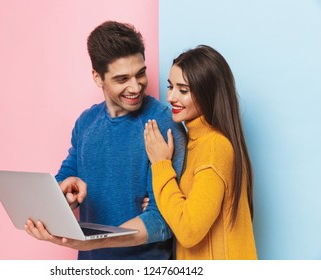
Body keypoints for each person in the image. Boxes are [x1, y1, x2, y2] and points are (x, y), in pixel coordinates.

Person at [25, 21, 187, 260]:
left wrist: (93, 242)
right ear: (97, 77)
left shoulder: (162, 123)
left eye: (140, 73)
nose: (136, 86)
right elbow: (64, 178)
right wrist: (62, 199)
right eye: (122, 79)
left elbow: (164, 220)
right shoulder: (86, 122)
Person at [144, 45, 257, 259]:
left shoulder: (214, 147)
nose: (170, 97)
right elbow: (188, 206)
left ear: (208, 94)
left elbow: (189, 230)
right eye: (170, 87)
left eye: (183, 90)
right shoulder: (195, 142)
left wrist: (161, 165)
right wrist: (161, 199)